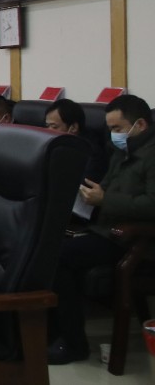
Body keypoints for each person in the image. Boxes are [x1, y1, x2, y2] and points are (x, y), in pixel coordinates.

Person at [48, 94, 155, 364]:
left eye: (117, 128)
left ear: (141, 124)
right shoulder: (122, 151)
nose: (113, 134)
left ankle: (74, 344)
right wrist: (88, 193)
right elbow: (104, 186)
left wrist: (105, 199)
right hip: (105, 229)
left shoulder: (151, 155)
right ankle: (49, 332)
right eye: (110, 129)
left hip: (132, 239)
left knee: (57, 257)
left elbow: (152, 204)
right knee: (45, 246)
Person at [45, 98, 109, 184]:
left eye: (54, 127)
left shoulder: (92, 153)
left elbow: (84, 186)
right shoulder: (50, 145)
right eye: (47, 126)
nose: (48, 131)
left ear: (74, 128)